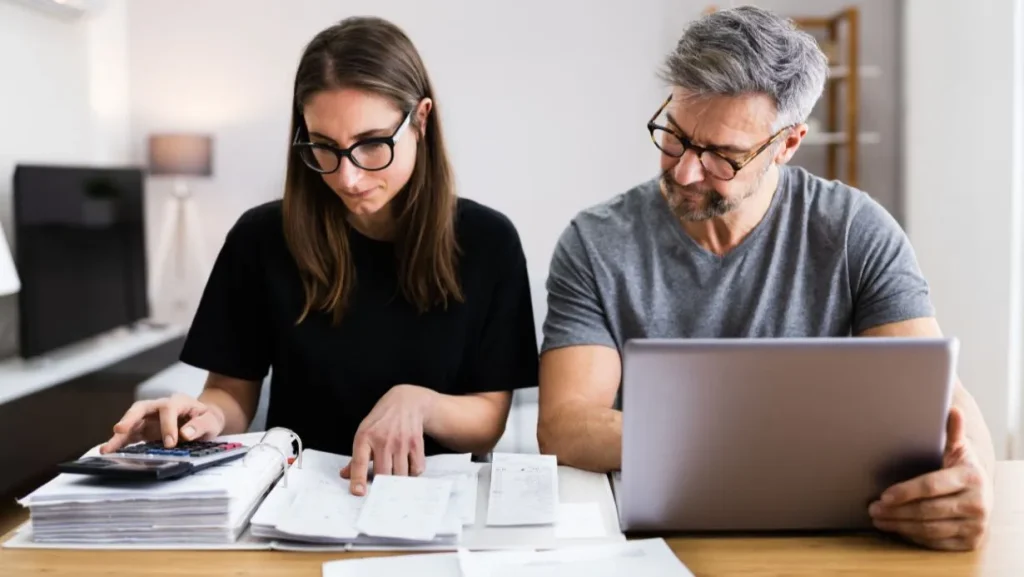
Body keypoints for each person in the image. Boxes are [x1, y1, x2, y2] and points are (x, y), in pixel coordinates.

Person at [536, 5, 995, 552]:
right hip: (658, 541)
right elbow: (565, 424)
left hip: (832, 538)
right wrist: (753, 443)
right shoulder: (597, 241)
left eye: (723, 157)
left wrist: (974, 481)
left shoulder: (854, 231)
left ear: (788, 144)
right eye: (675, 136)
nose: (683, 170)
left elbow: (941, 400)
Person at [100, 16, 539, 496]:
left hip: (435, 501)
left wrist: (421, 404)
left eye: (372, 145)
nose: (347, 177)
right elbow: (230, 393)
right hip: (296, 501)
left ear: (422, 119)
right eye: (325, 148)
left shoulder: (487, 241)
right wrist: (203, 418)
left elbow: (489, 418)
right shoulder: (260, 237)